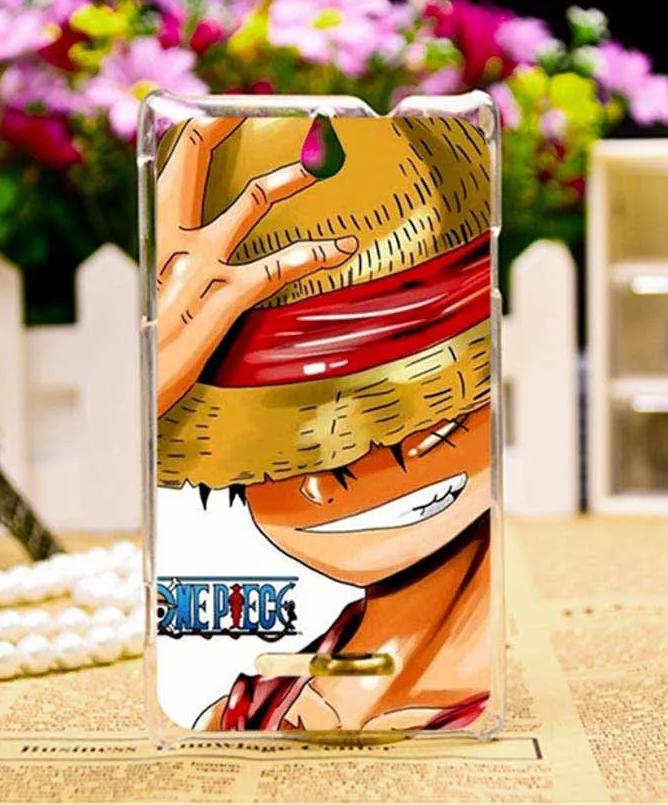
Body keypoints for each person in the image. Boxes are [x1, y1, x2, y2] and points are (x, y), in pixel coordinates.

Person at [156, 115, 493, 732]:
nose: (324, 484)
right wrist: (162, 377)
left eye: (399, 427)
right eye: (271, 462)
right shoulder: (253, 707)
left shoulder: (262, 706)